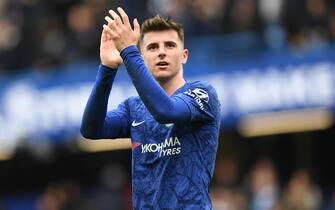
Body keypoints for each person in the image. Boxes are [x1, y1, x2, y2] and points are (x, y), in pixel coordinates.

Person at [81, 7, 221, 210]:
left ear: (184, 55)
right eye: (153, 47)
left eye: (170, 45)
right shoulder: (133, 107)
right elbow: (91, 129)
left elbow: (166, 112)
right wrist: (107, 68)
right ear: (143, 58)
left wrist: (129, 51)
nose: (162, 51)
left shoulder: (203, 94)